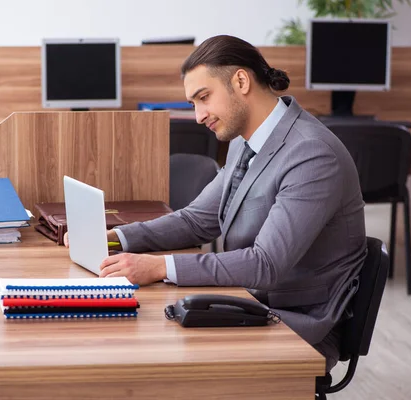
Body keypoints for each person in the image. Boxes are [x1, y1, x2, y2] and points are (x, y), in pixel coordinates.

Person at [65, 35, 366, 371]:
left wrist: (160, 267)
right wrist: (115, 237)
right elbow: (197, 220)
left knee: (146, 343)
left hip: (297, 324)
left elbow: (265, 264)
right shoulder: (244, 142)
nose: (198, 115)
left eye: (203, 98)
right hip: (246, 298)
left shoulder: (311, 154)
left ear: (241, 81)